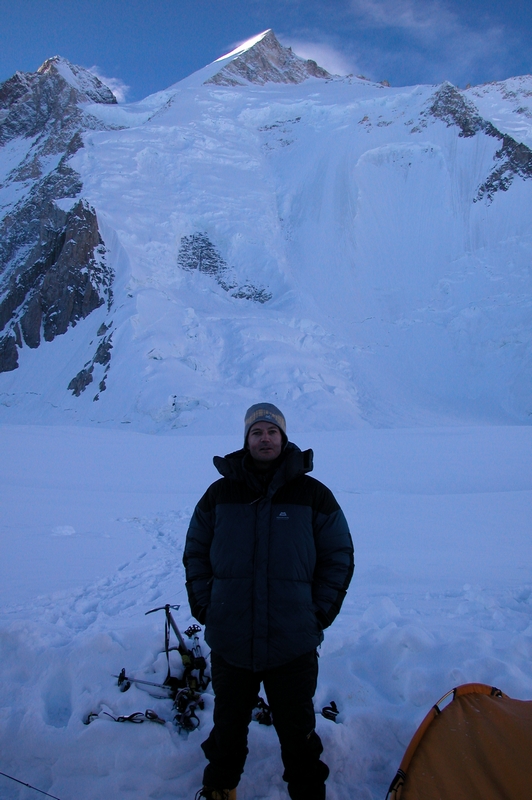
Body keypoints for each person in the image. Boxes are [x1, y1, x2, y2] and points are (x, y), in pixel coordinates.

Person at [183, 403, 354, 800]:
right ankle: (221, 789)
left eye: (271, 432)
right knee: (227, 729)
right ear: (246, 439)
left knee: (299, 733)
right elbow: (196, 550)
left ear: (283, 438)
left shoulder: (313, 495)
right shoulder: (220, 494)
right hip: (231, 638)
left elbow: (338, 554)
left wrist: (317, 614)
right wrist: (207, 606)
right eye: (256, 432)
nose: (264, 438)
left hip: (292, 641)